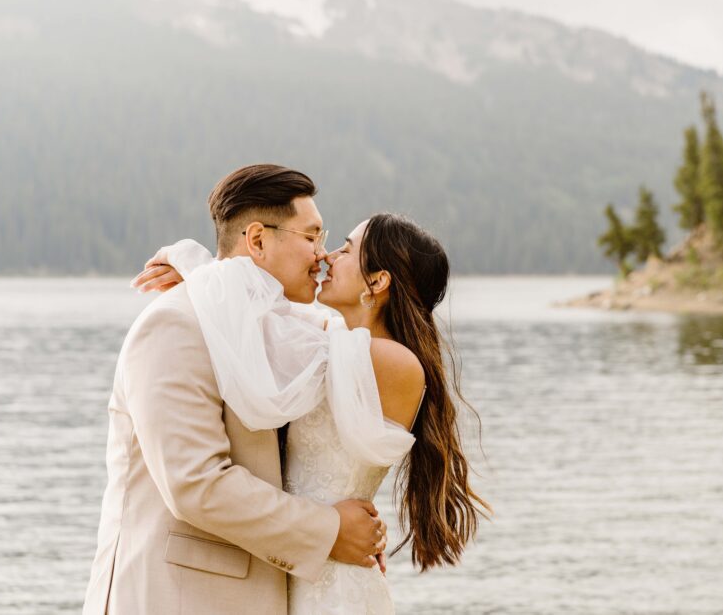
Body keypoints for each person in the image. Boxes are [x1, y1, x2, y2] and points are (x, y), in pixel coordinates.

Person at [137, 212, 490, 613]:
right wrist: (211, 287)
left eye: (346, 248)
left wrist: (199, 271)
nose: (328, 257)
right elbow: (277, 328)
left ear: (377, 281)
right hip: (304, 561)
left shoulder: (394, 363)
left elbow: (269, 330)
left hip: (337, 580)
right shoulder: (335, 343)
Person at [82, 165, 389, 615]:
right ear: (259, 240)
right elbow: (196, 483)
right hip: (173, 598)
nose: (322, 256)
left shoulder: (276, 330)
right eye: (312, 237)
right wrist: (329, 531)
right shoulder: (175, 325)